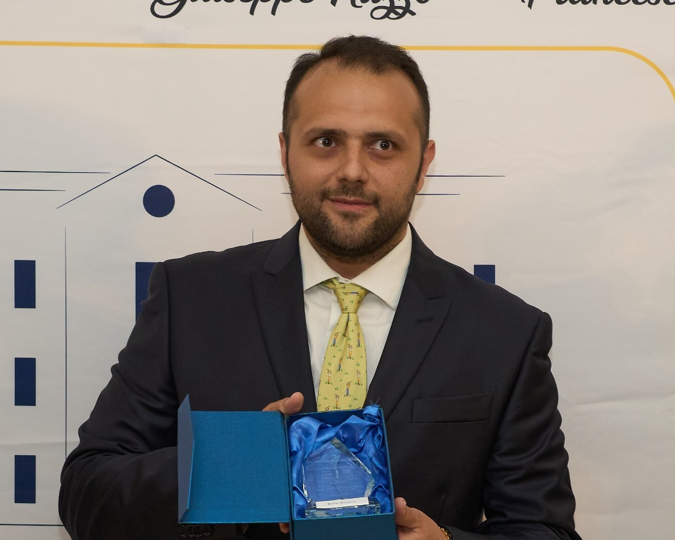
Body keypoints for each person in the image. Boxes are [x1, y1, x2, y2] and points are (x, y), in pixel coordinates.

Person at [59, 36, 581, 540]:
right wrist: (234, 464)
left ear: (424, 163)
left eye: (383, 145)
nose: (352, 171)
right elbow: (87, 497)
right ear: (285, 152)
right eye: (326, 141)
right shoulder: (191, 297)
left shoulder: (506, 332)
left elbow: (545, 530)